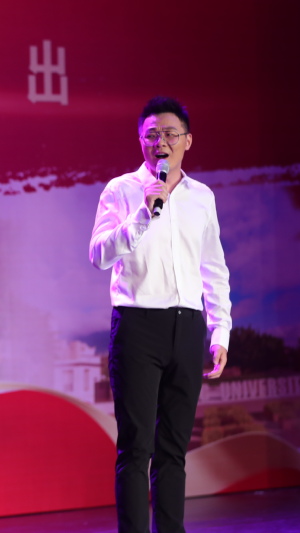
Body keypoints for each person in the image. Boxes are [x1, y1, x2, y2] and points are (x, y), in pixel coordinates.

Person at [89, 97, 232, 533]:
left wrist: (220, 331)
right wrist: (142, 214)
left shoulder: (202, 197)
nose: (160, 142)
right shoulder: (120, 191)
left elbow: (214, 267)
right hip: (137, 327)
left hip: (187, 327)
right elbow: (98, 255)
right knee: (136, 448)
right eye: (151, 134)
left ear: (187, 141)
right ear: (141, 140)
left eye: (169, 134)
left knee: (173, 450)